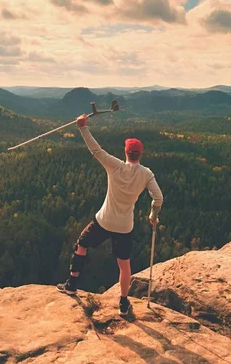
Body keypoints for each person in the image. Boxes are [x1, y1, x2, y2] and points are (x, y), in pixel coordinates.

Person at [57, 113, 164, 316]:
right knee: (124, 266)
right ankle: (123, 304)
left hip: (104, 221)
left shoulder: (115, 166)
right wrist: (153, 214)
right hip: (125, 227)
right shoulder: (146, 174)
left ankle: (72, 284)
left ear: (125, 152)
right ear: (140, 154)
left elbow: (96, 150)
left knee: (81, 244)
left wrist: (82, 127)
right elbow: (158, 198)